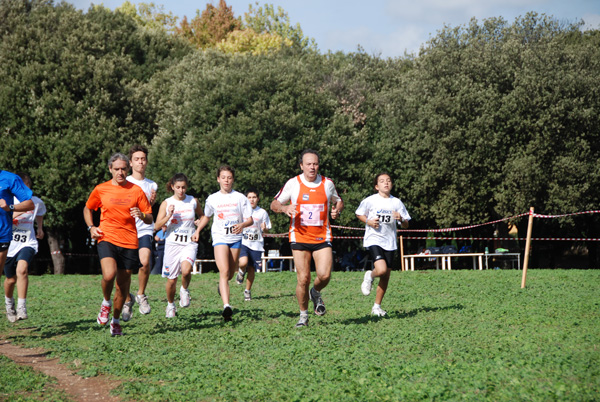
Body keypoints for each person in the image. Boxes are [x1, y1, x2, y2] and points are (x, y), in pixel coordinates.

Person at [270, 149, 343, 327]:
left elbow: (338, 200)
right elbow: (274, 203)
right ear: (301, 166)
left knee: (324, 275)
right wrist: (285, 209)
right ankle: (303, 316)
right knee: (303, 278)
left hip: (321, 236)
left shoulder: (327, 184)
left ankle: (315, 291)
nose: (312, 167)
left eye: (315, 164)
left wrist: (337, 209)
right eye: (308, 164)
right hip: (299, 236)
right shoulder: (293, 183)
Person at [83, 153, 153, 336]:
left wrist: (142, 215)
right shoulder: (101, 189)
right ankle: (105, 302)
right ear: (110, 170)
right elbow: (88, 207)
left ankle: (115, 321)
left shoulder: (136, 190)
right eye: (116, 169)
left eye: (123, 169)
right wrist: (91, 227)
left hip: (129, 241)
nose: (120, 172)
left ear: (127, 169)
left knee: (123, 286)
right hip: (106, 237)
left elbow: (149, 217)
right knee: (109, 274)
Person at [194, 165, 253, 322]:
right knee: (224, 271)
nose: (226, 180)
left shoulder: (240, 198)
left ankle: (223, 286)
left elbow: (250, 219)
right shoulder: (212, 199)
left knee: (230, 273)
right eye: (223, 177)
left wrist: (241, 225)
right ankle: (227, 306)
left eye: (229, 177)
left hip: (236, 239)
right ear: (218, 179)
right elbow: (206, 216)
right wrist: (198, 230)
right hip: (219, 237)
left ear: (232, 179)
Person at [355, 173, 411, 317]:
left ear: (391, 184)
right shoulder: (370, 201)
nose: (385, 183)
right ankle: (370, 275)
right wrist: (368, 221)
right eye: (382, 181)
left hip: (390, 242)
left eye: (388, 181)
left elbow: (406, 224)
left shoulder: (397, 203)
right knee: (381, 270)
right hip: (374, 239)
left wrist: (401, 218)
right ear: (376, 186)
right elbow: (359, 213)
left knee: (386, 276)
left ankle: (377, 307)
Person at [154, 173, 203, 318]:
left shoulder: (193, 201)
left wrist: (199, 224)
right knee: (171, 280)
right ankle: (170, 305)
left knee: (186, 270)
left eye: (183, 187)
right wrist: (168, 216)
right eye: (178, 187)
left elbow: (203, 216)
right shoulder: (166, 203)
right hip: (172, 245)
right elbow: (157, 225)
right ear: (172, 187)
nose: (181, 190)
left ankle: (184, 290)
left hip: (189, 243)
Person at [122, 145, 158, 320]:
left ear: (146, 162)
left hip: (144, 228)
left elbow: (149, 210)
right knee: (126, 270)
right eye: (137, 159)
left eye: (143, 159)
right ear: (130, 162)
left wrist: (150, 204)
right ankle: (128, 299)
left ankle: (141, 294)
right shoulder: (125, 182)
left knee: (144, 263)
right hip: (126, 229)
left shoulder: (152, 185)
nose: (140, 162)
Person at [4, 173, 46, 321]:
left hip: (28, 242)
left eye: (25, 187)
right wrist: (13, 212)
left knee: (22, 270)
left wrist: (40, 227)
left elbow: (39, 212)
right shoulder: (8, 200)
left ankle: (22, 307)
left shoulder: (35, 201)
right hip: (9, 244)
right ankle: (9, 304)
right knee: (10, 279)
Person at [0, 170, 34, 322]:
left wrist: (9, 208)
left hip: (5, 235)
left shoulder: (9, 179)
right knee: (10, 279)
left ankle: (19, 306)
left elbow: (29, 204)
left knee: (18, 272)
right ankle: (10, 305)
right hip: (9, 240)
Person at [235, 188, 272, 301]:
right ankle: (241, 272)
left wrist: (265, 229)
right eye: (249, 197)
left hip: (256, 244)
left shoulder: (262, 212)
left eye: (254, 197)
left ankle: (247, 291)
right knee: (243, 262)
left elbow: (267, 231)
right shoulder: (241, 211)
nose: (252, 200)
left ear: (258, 199)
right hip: (244, 242)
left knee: (251, 269)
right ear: (246, 199)